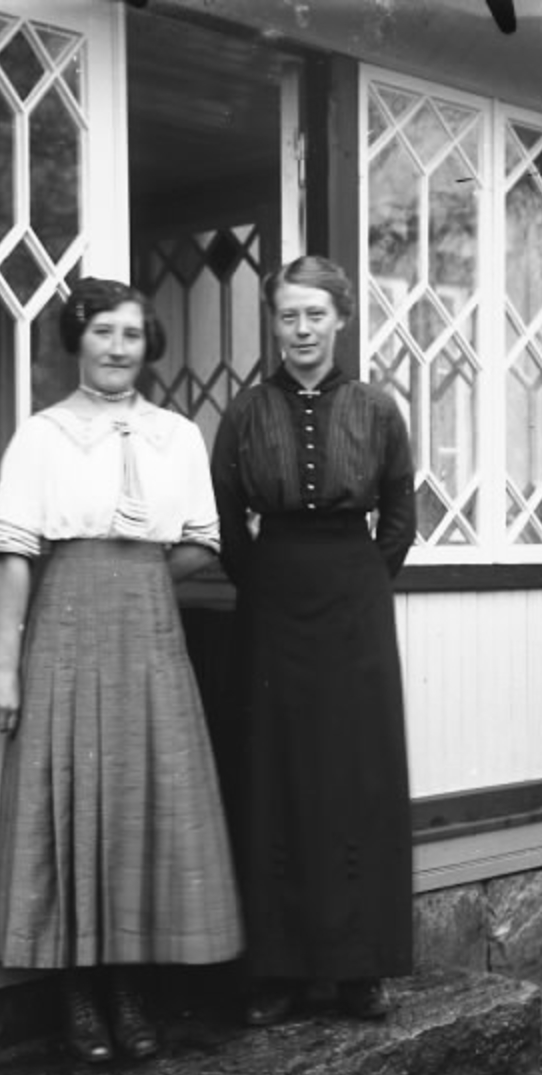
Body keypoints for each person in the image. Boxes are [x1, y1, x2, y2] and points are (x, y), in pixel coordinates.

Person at [0, 276, 242, 1065]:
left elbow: (201, 541)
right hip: (65, 624)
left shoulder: (177, 437)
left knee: (136, 800)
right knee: (73, 796)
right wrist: (3, 668)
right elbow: (15, 555)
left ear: (147, 346)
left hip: (149, 632)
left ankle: (129, 992)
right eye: (102, 332)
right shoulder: (42, 436)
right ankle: (78, 997)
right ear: (78, 340)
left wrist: (139, 579)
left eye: (130, 334)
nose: (117, 348)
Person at [211, 255, 415, 1026]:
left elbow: (399, 516)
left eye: (315, 315)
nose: (301, 330)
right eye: (289, 315)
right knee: (276, 772)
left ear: (341, 320)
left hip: (355, 600)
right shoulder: (246, 411)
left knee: (356, 773)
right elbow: (227, 519)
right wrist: (265, 582)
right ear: (275, 322)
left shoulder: (377, 409)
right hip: (273, 600)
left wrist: (360, 583)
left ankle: (359, 969)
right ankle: (280, 971)